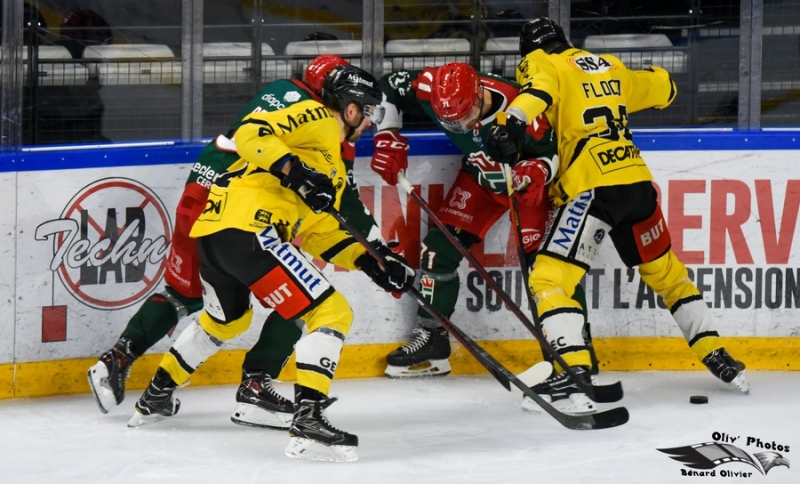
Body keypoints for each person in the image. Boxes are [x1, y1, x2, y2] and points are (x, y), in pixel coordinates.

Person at [128, 65, 415, 463]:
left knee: (227, 320)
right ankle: (309, 421)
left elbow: (320, 233)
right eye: (368, 112)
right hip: (249, 230)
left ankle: (155, 395)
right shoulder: (319, 120)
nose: (368, 122)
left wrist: (373, 262)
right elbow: (249, 133)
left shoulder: (330, 161)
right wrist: (293, 170)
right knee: (331, 311)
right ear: (350, 109)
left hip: (215, 234)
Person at [485, 18, 749, 403]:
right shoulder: (609, 64)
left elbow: (538, 90)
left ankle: (573, 368)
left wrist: (511, 124)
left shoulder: (540, 60)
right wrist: (651, 81)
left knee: (549, 280)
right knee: (669, 276)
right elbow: (664, 87)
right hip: (637, 183)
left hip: (593, 186)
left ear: (530, 50)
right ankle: (716, 354)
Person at [371, 61, 599, 412]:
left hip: (530, 189)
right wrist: (387, 134)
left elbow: (550, 156)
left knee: (549, 271)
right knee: (437, 252)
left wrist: (530, 173)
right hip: (481, 177)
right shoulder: (431, 85)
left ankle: (574, 354)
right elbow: (387, 87)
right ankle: (433, 340)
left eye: (464, 117)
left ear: (479, 95)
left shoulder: (522, 108)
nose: (458, 126)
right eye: (448, 121)